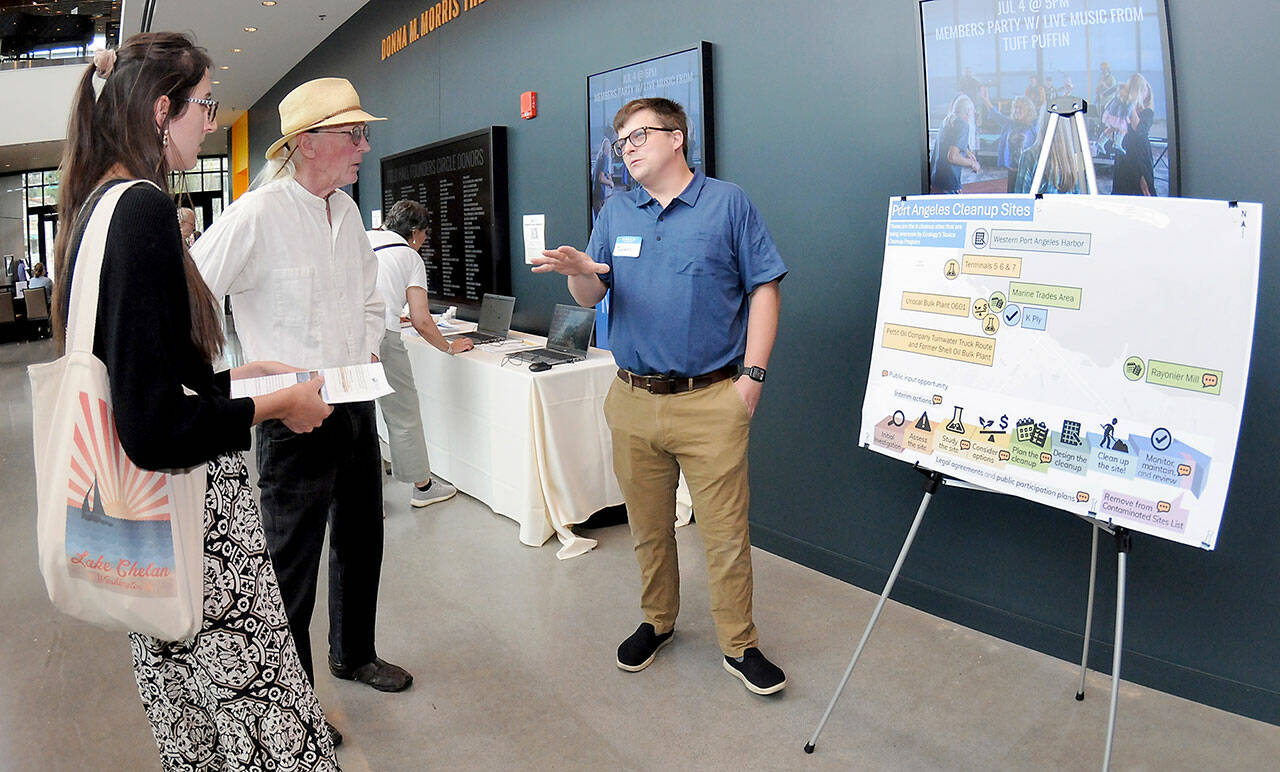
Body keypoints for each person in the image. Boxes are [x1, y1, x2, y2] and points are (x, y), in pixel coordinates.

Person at [49, 33, 337, 767]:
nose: (211, 120)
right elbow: (156, 428)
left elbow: (145, 377)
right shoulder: (142, 208)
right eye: (205, 104)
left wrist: (241, 380)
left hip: (141, 533)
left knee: (196, 733)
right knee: (270, 732)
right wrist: (275, 407)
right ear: (160, 109)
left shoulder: (95, 209)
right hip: (196, 531)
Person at [532, 97, 789, 695]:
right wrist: (578, 268)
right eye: (621, 141)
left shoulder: (727, 204)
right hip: (632, 398)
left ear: (678, 138)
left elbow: (765, 290)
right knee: (647, 527)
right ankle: (658, 621)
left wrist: (752, 378)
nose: (628, 148)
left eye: (640, 135)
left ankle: (738, 643)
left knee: (724, 534)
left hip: (711, 399)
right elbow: (592, 296)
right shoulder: (617, 211)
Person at [193, 76, 413, 734]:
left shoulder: (347, 215)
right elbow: (191, 294)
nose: (364, 147)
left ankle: (354, 653)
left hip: (354, 401)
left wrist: (368, 346)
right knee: (292, 565)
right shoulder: (257, 214)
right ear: (307, 142)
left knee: (362, 536)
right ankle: (291, 702)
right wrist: (230, 379)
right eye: (353, 134)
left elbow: (372, 299)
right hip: (291, 416)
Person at [368, 199, 472, 507]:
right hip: (381, 336)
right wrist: (449, 347)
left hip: (347, 335)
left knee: (359, 414)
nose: (425, 242)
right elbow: (422, 319)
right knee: (403, 411)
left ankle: (366, 496)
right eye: (425, 235)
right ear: (414, 233)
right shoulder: (409, 257)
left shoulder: (364, 236)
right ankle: (423, 487)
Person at [1112, 73, 1156, 196]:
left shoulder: (1147, 112)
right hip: (1124, 153)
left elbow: (1138, 129)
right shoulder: (1123, 107)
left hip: (1139, 155)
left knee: (1144, 189)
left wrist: (1131, 105)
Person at [930, 94, 980, 194]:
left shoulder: (947, 121)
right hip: (948, 184)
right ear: (968, 111)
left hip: (937, 180)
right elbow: (952, 157)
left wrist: (967, 151)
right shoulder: (963, 125)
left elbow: (950, 142)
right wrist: (973, 163)